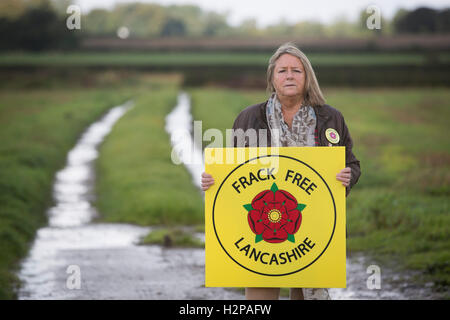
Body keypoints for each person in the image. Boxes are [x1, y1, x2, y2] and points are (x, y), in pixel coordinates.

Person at [201, 42, 361, 300]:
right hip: (260, 230)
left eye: (297, 70)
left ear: (307, 77)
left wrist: (347, 176)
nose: (289, 75)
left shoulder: (331, 118)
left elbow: (351, 163)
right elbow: (235, 172)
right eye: (282, 70)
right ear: (272, 79)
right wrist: (214, 180)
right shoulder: (249, 118)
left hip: (313, 228)